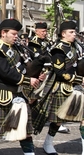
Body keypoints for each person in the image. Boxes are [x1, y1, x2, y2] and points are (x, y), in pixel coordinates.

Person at [0, 19, 41, 155]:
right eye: (14, 34)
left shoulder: (17, 49)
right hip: (2, 96)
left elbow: (25, 69)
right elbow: (6, 73)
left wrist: (37, 70)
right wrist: (27, 80)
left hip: (20, 94)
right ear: (3, 33)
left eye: (17, 34)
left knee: (25, 130)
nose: (17, 36)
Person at [33, 21, 84, 155]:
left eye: (74, 32)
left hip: (78, 87)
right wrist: (80, 79)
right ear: (63, 34)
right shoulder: (58, 49)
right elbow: (60, 72)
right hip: (63, 87)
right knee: (57, 121)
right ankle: (48, 143)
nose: (74, 34)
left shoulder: (76, 46)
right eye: (71, 32)